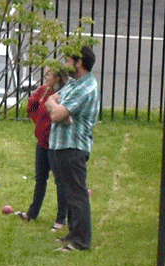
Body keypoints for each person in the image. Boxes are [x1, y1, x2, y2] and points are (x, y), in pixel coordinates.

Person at [45, 42, 100, 252]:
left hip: (74, 147)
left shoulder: (86, 87)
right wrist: (56, 108)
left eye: (69, 60)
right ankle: (73, 232)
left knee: (77, 194)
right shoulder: (74, 84)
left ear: (80, 63)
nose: (66, 63)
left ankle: (81, 241)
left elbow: (58, 114)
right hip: (61, 145)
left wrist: (58, 111)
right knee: (68, 192)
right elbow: (51, 100)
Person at [23, 67, 61, 223]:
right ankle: (32, 213)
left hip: (55, 144)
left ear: (58, 78)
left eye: (49, 74)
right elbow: (31, 104)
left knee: (60, 181)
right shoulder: (43, 91)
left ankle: (61, 218)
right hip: (42, 142)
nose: (46, 77)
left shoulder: (60, 95)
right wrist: (38, 121)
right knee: (40, 178)